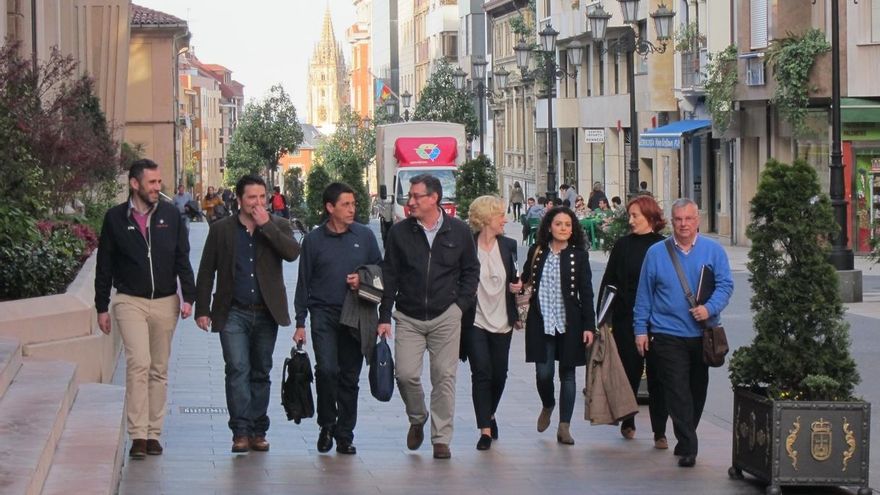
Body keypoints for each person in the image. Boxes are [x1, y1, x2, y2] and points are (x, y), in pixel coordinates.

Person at [94, 158, 196, 459]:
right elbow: (104, 265)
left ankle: (153, 434)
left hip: (166, 301)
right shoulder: (114, 218)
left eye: (158, 182)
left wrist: (188, 297)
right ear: (134, 184)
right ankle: (137, 435)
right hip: (129, 301)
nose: (157, 187)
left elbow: (182, 257)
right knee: (138, 363)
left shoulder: (171, 215)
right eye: (151, 183)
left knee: (158, 368)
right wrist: (102, 306)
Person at [195, 174, 300, 453]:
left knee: (261, 371)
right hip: (233, 312)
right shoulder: (221, 230)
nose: (257, 202)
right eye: (252, 197)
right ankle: (240, 431)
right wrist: (202, 309)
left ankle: (258, 430)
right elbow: (206, 271)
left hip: (267, 313)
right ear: (239, 200)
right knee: (238, 369)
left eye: (262, 197)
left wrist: (267, 226)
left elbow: (292, 253)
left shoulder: (278, 225)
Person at [377, 173, 480, 460]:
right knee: (405, 374)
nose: (410, 202)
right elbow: (390, 275)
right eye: (409, 197)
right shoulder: (399, 233)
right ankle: (417, 416)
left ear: (434, 198)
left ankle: (441, 438)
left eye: (415, 197)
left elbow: (471, 271)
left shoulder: (458, 231)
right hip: (408, 316)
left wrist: (460, 306)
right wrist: (385, 315)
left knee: (444, 377)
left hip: (446, 314)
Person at [633, 198, 733, 468]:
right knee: (676, 390)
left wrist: (709, 308)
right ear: (671, 221)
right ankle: (688, 445)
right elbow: (644, 294)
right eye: (678, 219)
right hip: (667, 333)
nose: (683, 224)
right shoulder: (656, 252)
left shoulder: (713, 250)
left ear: (697, 220)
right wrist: (640, 329)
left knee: (697, 390)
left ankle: (686, 434)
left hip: (702, 334)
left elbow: (725, 285)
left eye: (688, 219)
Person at [294, 182, 381, 456]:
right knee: (327, 370)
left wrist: (363, 280)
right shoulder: (314, 240)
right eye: (346, 204)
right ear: (329, 208)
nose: (352, 209)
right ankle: (326, 424)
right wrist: (299, 322)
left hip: (356, 313)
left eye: (354, 204)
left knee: (350, 377)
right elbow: (303, 281)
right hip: (324, 314)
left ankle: (345, 434)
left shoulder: (364, 236)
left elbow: (381, 272)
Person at [598, 195, 669, 449]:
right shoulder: (623, 246)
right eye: (630, 215)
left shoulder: (663, 247)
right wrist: (602, 317)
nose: (631, 220)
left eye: (635, 216)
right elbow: (609, 281)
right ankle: (628, 419)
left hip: (658, 321)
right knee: (629, 371)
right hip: (626, 318)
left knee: (659, 376)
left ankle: (660, 431)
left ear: (650, 217)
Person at [521, 206, 596, 445]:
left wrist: (588, 326)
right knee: (544, 374)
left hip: (569, 324)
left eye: (567, 225)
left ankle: (565, 426)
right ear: (549, 227)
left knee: (568, 375)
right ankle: (548, 404)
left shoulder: (579, 256)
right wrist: (517, 286)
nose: (563, 228)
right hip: (541, 322)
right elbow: (525, 280)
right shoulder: (537, 251)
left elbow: (586, 293)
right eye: (558, 224)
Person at [461, 196, 522, 451]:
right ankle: (484, 429)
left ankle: (491, 413)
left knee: (500, 374)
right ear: (487, 219)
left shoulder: (509, 245)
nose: (505, 220)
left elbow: (516, 277)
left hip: (503, 320)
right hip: (475, 319)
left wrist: (516, 287)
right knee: (482, 372)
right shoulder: (467, 246)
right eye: (500, 216)